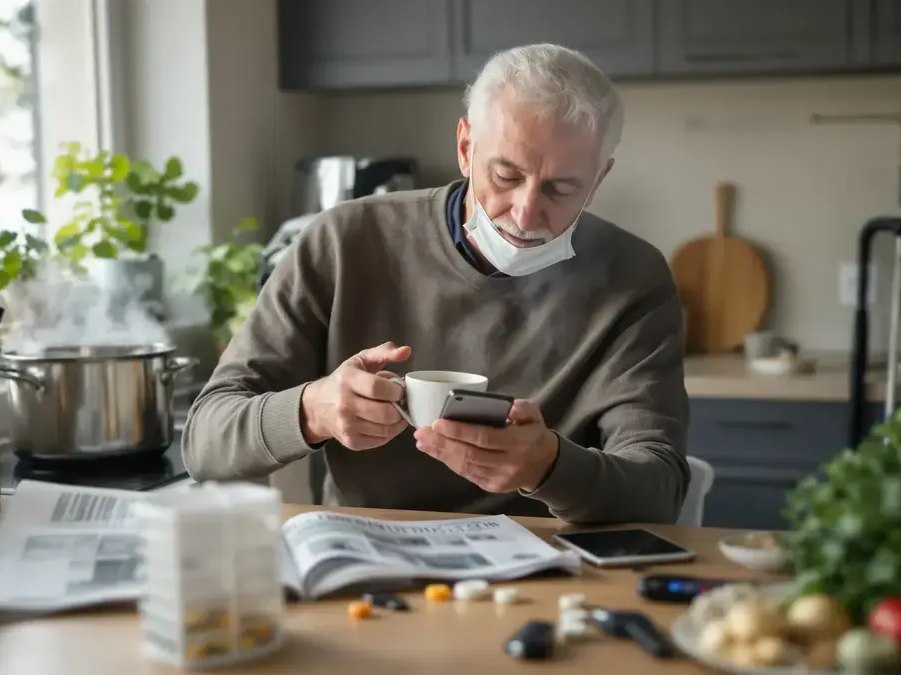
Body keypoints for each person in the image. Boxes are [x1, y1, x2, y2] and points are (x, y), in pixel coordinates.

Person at [182, 43, 690, 525]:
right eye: (507, 175)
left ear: (599, 180)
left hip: (551, 568)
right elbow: (205, 442)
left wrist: (550, 467)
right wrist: (312, 409)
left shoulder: (633, 279)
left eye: (562, 188)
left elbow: (660, 488)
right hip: (367, 560)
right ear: (466, 147)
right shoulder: (345, 241)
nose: (527, 212)